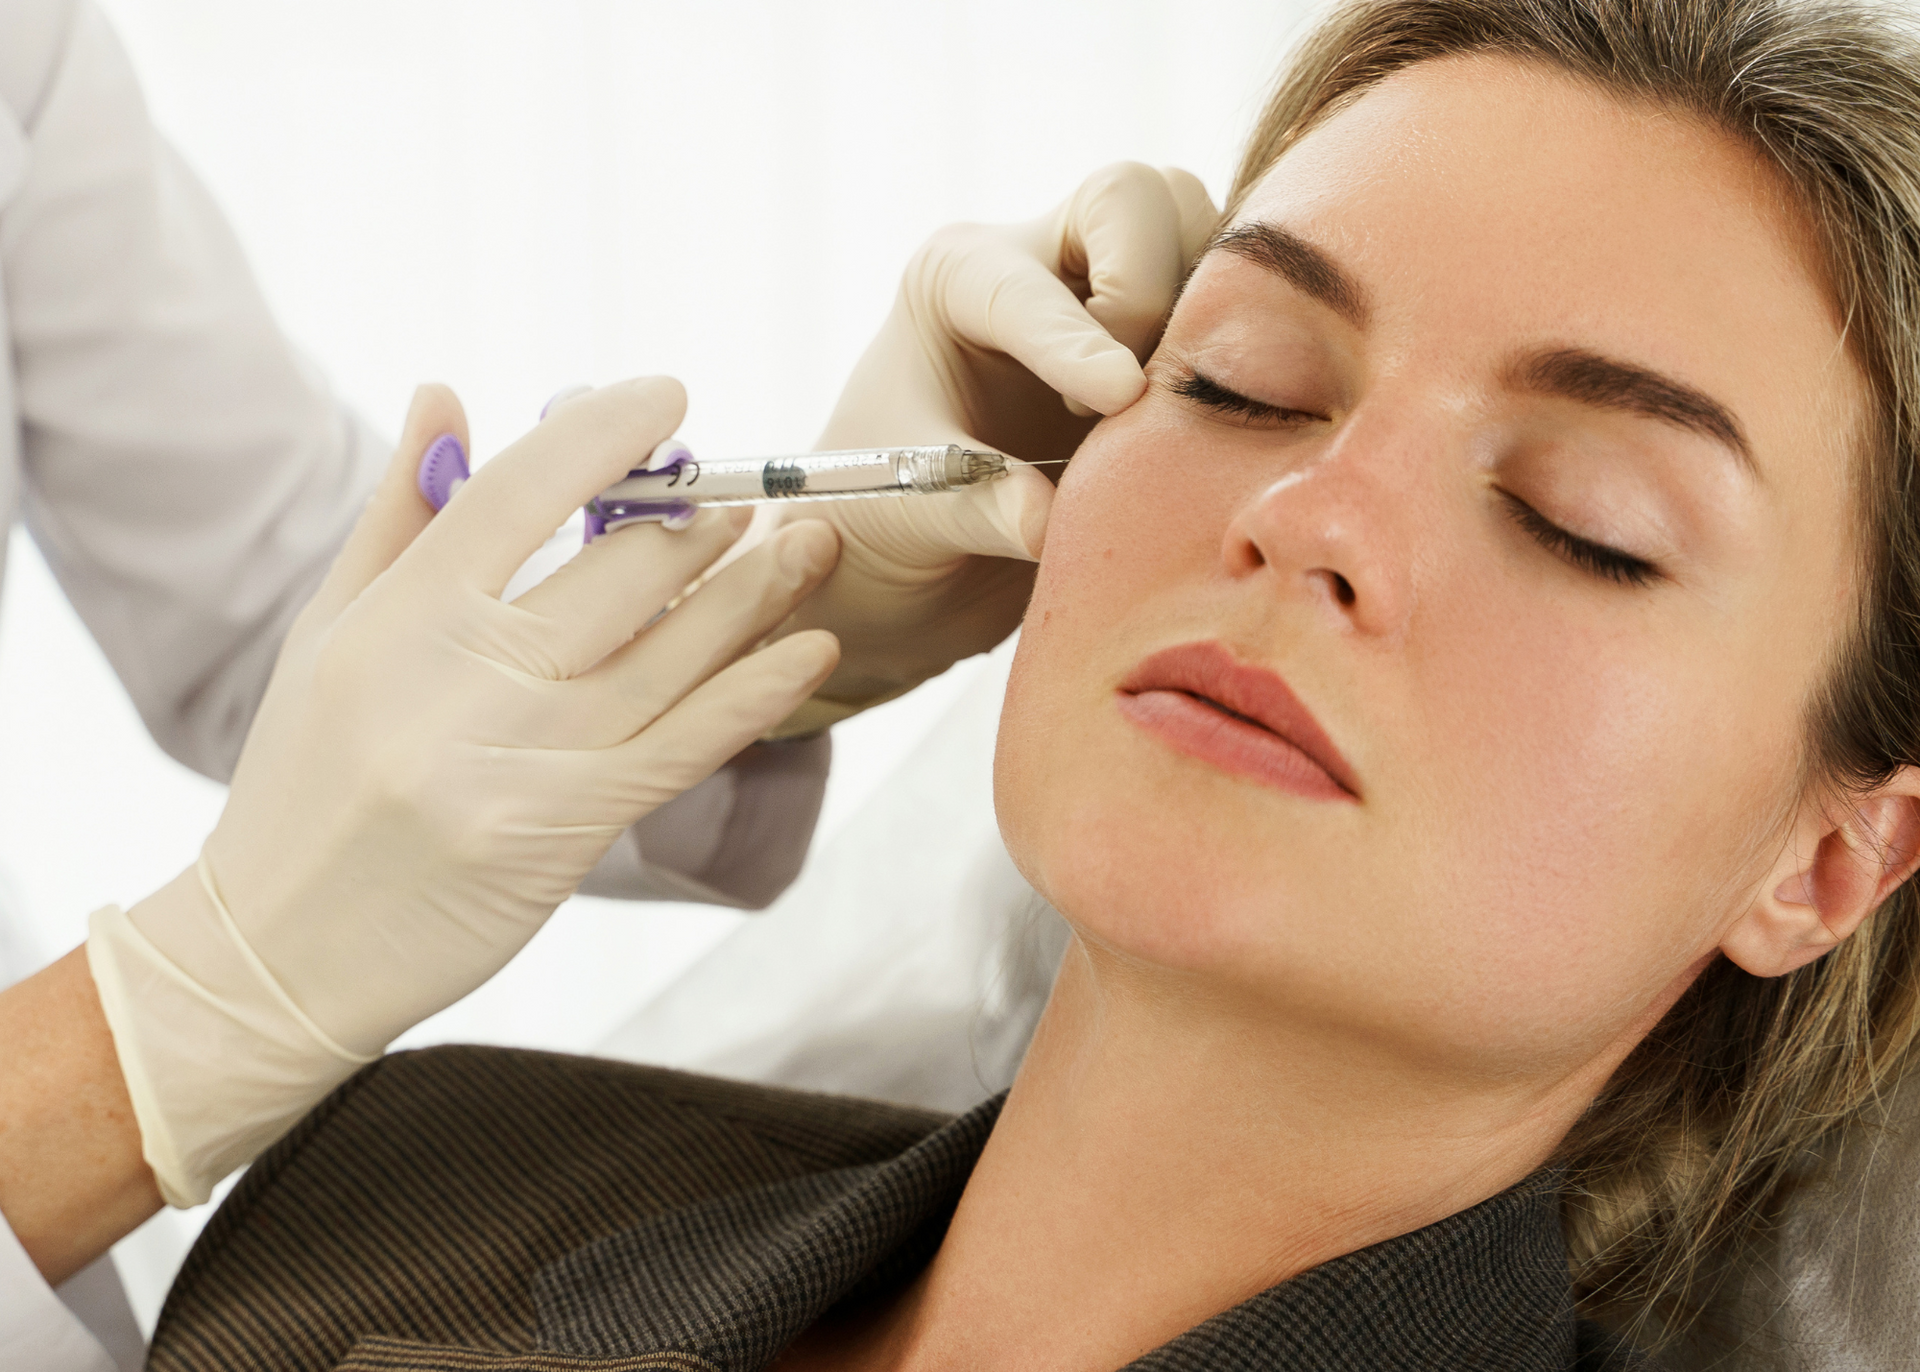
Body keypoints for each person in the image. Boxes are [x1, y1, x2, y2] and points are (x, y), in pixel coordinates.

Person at [143, 0, 1920, 1368]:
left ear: (1827, 863)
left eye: (1579, 520)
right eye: (1238, 378)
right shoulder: (422, 1177)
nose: (1310, 517)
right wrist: (171, 1029)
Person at [0, 1, 1220, 1367]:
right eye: (1245, 383)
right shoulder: (398, 1222)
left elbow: (276, 599)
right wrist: (158, 1032)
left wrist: (803, 602)